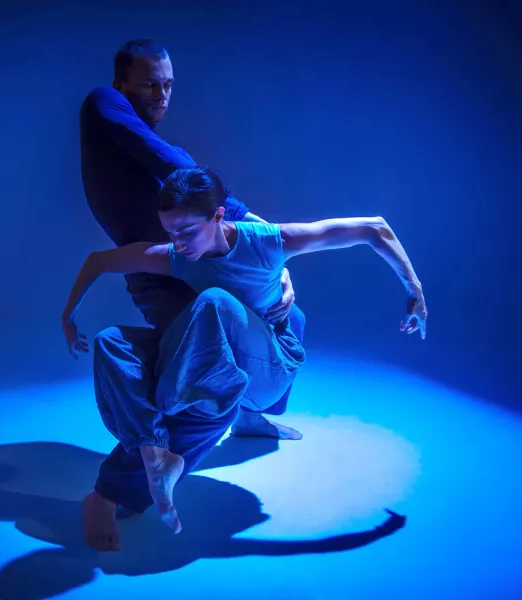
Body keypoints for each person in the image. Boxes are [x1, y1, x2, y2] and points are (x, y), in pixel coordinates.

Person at [63, 166, 428, 551]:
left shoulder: (268, 241)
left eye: (187, 231)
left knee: (214, 302)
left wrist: (415, 290)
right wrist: (67, 316)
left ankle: (182, 417)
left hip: (270, 369)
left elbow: (374, 228)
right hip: (224, 362)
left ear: (218, 216)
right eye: (170, 232)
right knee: (112, 342)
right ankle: (156, 452)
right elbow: (100, 261)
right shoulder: (178, 257)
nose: (179, 242)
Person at [79, 38, 304, 444]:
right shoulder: (102, 104)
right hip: (161, 275)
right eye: (150, 84)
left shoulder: (135, 143)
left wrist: (274, 260)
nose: (162, 95)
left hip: (199, 264)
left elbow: (191, 191)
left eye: (168, 85)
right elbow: (167, 160)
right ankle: (146, 461)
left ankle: (251, 416)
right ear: (120, 84)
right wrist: (257, 225)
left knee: (288, 318)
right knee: (197, 371)